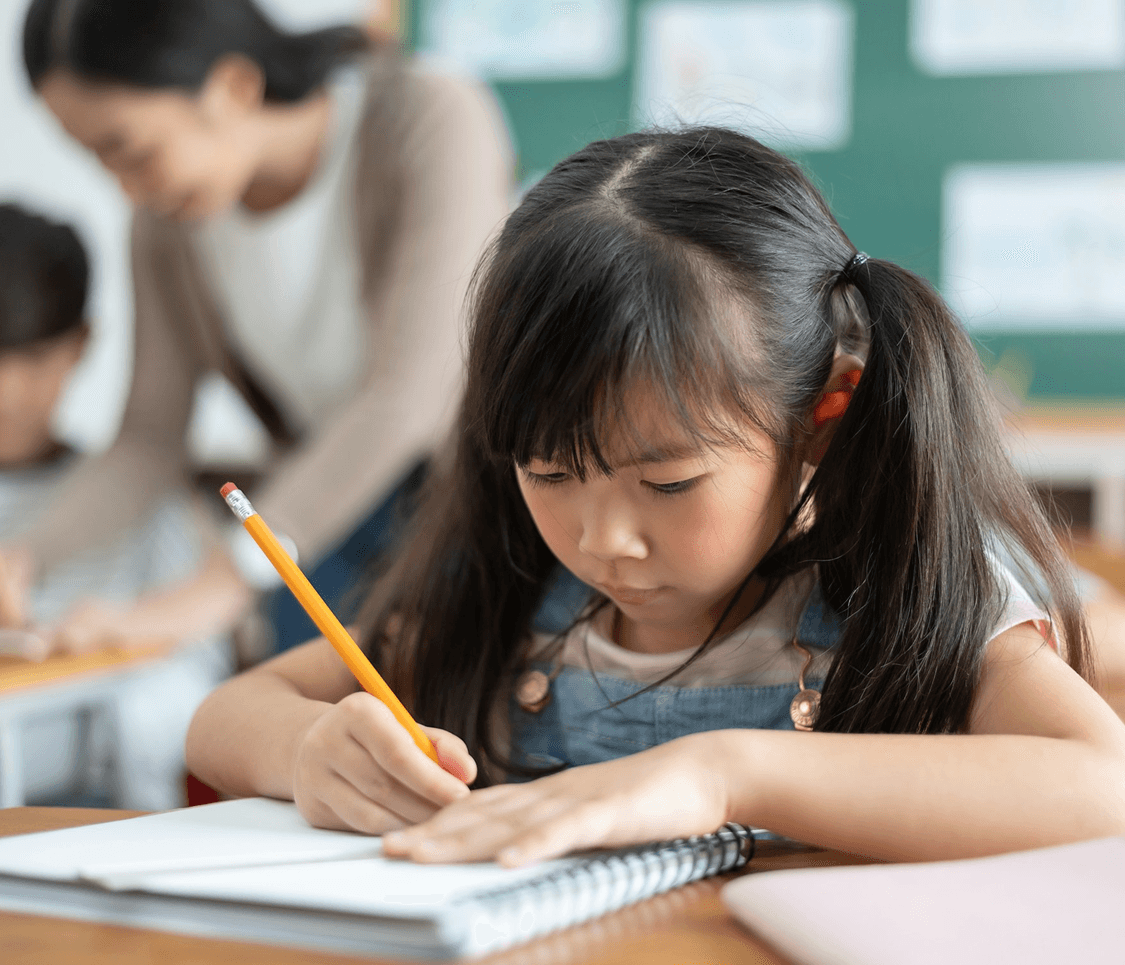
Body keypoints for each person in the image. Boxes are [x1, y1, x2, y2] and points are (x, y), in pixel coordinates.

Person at [186, 127, 1125, 865]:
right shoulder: (517, 593)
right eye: (549, 473)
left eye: (667, 481)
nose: (603, 539)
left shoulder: (904, 584)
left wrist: (726, 772)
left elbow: (1098, 784)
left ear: (821, 416)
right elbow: (223, 718)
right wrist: (311, 748)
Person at [10, 0, 511, 656]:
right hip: (323, 515)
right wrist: (23, 557)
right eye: (96, 161)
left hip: (473, 504)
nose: (125, 189)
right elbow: (147, 437)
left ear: (231, 87)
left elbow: (410, 393)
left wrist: (220, 584)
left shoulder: (430, 116)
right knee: (305, 722)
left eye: (127, 149)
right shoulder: (166, 221)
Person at [0, 202, 230, 809]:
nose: (5, 392)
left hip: (102, 810)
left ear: (80, 346)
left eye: (30, 360)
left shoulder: (139, 503)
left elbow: (199, 675)